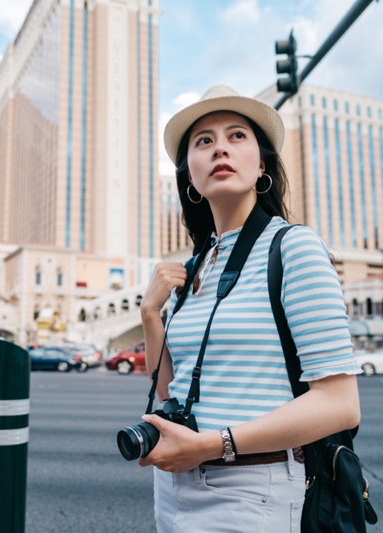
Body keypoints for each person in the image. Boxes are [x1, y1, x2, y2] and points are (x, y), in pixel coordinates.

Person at [138, 85, 361, 532]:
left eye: (237, 136)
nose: (219, 146)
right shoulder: (195, 265)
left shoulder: (293, 247)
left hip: (252, 489)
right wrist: (149, 314)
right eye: (204, 141)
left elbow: (340, 405)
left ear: (262, 166)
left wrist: (212, 445)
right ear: (191, 177)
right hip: (175, 487)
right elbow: (170, 391)